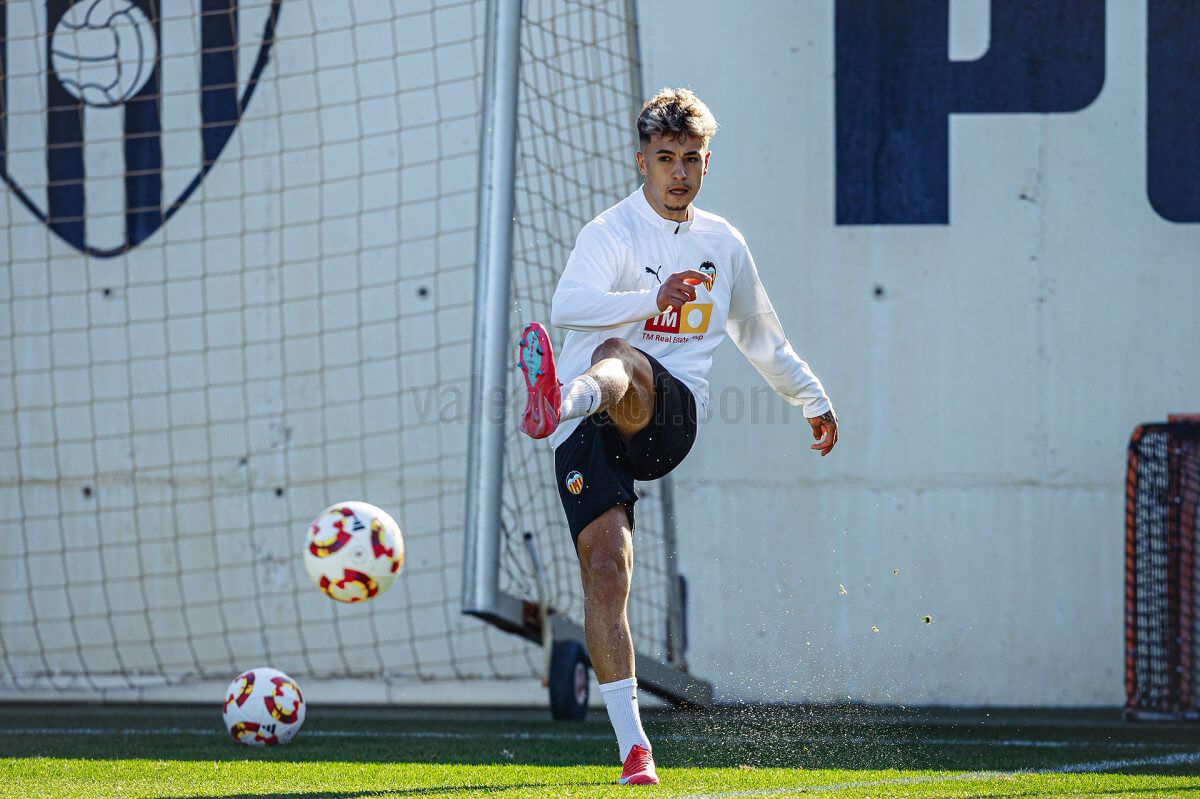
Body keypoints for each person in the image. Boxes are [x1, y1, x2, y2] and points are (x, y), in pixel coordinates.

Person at [516, 87, 838, 786]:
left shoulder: (723, 243)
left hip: (666, 416)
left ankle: (555, 400)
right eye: (665, 158)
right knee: (607, 572)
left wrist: (812, 397)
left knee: (621, 358)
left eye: (691, 158)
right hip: (584, 429)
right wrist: (648, 299)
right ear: (642, 163)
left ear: (706, 161)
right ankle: (635, 750)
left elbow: (761, 336)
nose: (679, 173)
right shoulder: (609, 231)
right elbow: (566, 306)